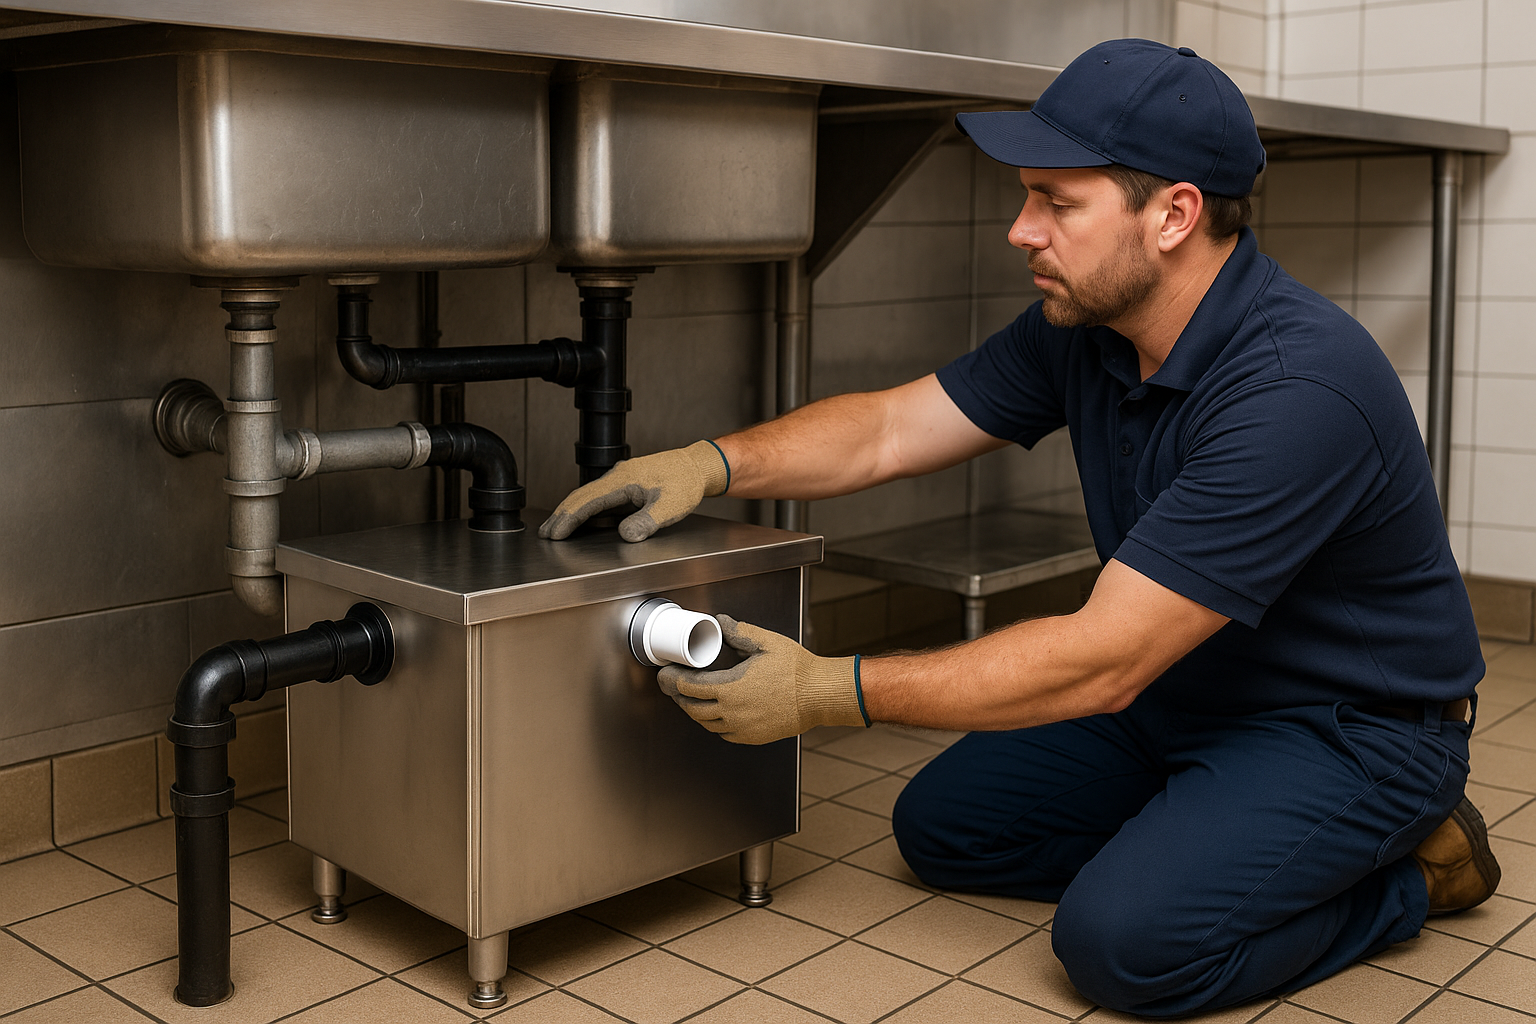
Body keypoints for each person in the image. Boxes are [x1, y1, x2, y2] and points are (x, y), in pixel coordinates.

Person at [539, 38, 1499, 1018]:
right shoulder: (1087, 330)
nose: (1020, 230)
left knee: (1122, 944)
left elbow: (1101, 661)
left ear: (1173, 214)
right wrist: (708, 461)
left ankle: (1414, 874)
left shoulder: (1297, 389)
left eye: (1056, 201)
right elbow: (888, 430)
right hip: (1181, 693)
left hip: (1347, 731)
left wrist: (826, 689)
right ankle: (1220, 832)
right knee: (945, 828)